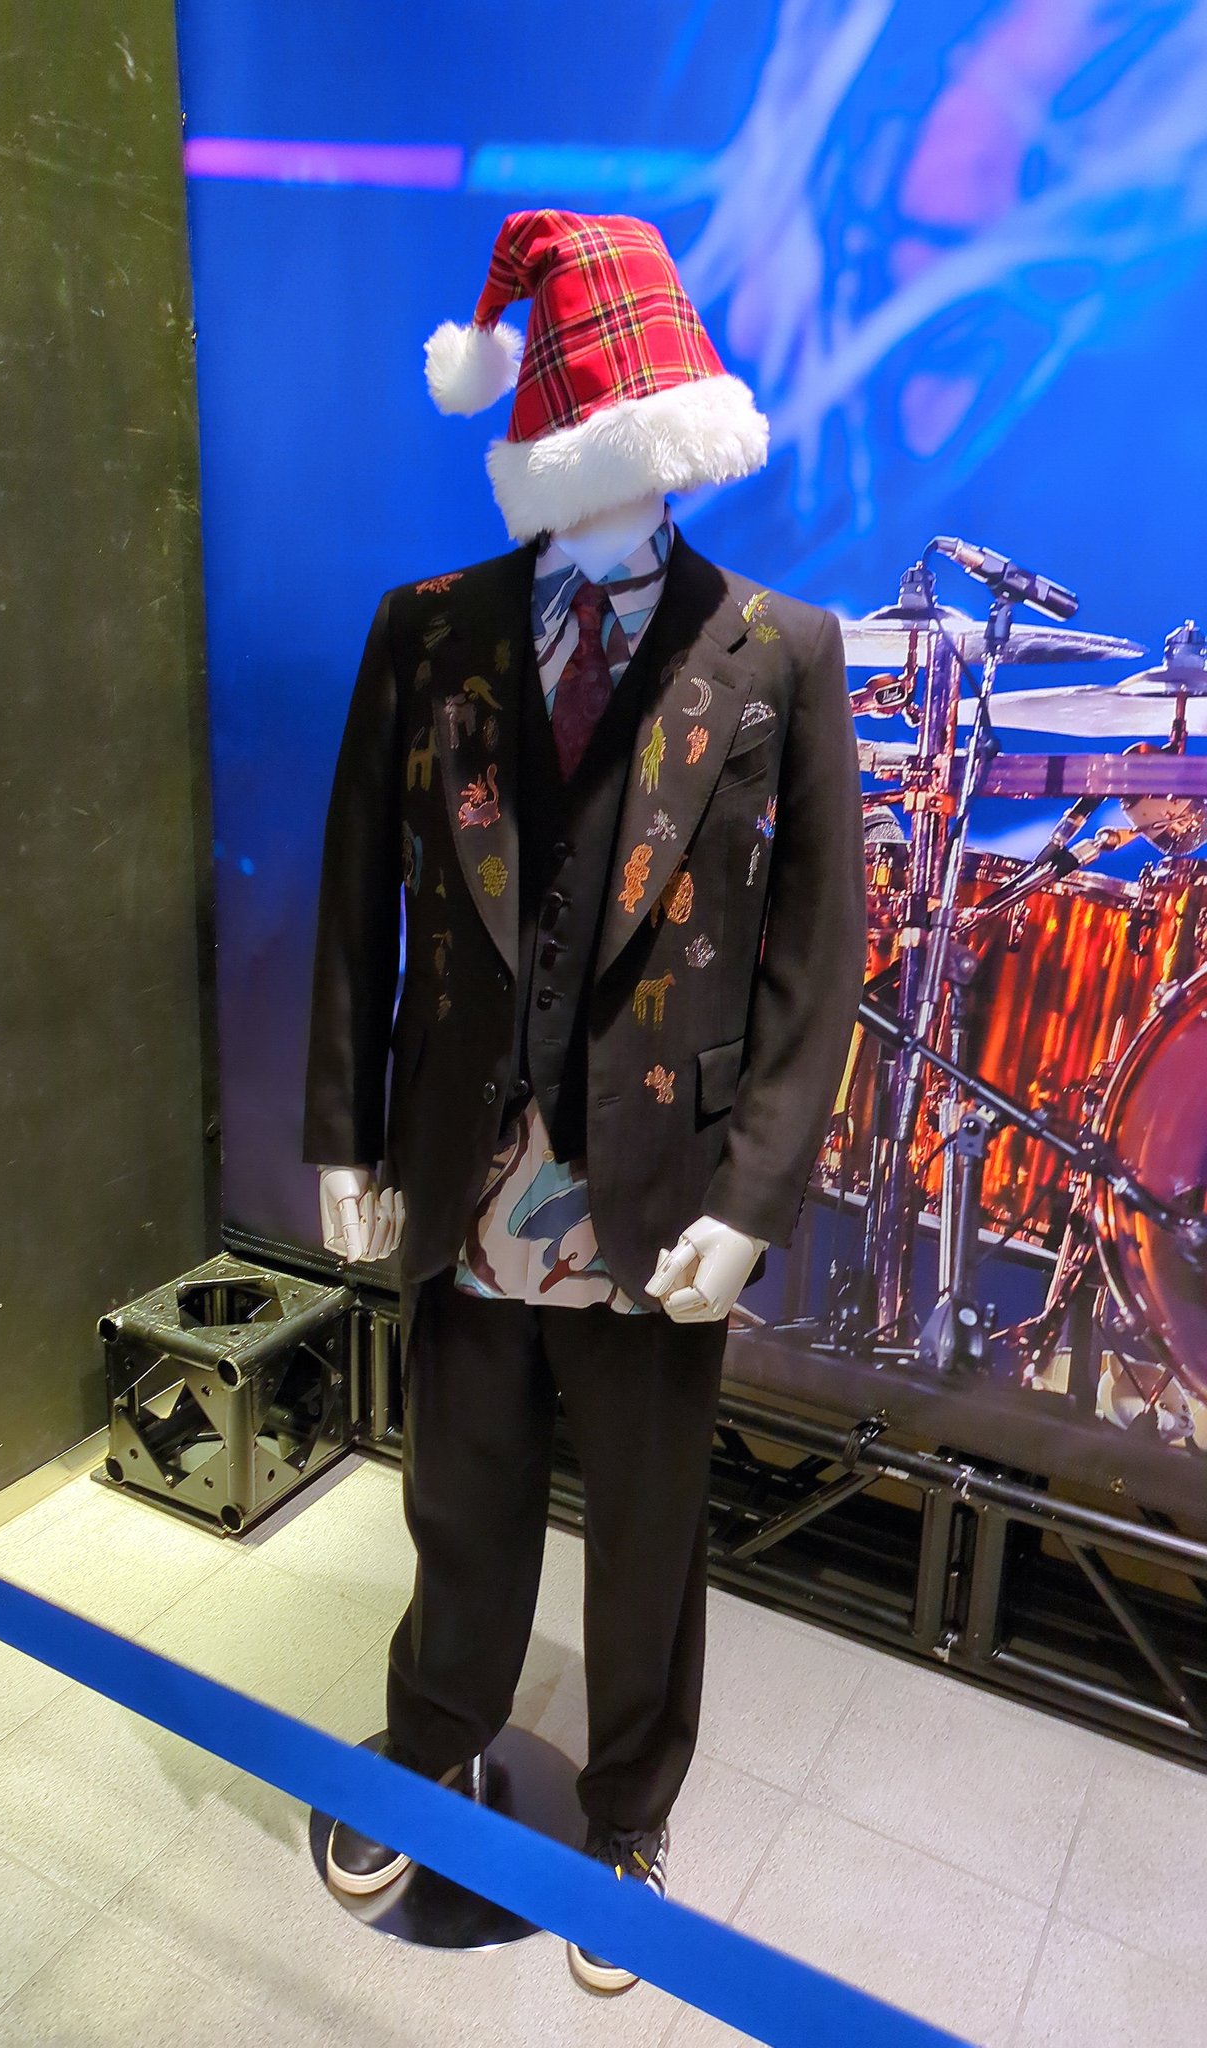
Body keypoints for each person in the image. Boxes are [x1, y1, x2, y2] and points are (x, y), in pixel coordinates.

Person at [303, 210, 866, 1995]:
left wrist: (756, 1201)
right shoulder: (426, 633)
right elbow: (357, 896)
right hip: (465, 1166)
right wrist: (345, 1129)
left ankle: (631, 1814)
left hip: (664, 1198)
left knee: (646, 1532)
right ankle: (428, 1742)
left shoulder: (779, 650)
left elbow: (816, 960)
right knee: (456, 1496)